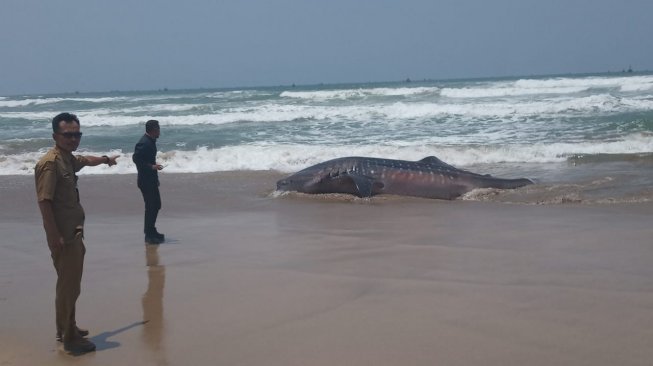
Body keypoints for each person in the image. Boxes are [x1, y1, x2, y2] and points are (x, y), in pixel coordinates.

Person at [35, 112, 119, 354]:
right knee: (69, 286)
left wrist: (105, 159)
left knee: (71, 285)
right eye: (68, 134)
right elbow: (44, 201)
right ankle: (70, 339)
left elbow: (84, 160)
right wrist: (53, 236)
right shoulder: (50, 163)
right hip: (63, 237)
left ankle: (67, 327)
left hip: (73, 232)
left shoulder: (66, 158)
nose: (73, 138)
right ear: (55, 136)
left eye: (77, 134)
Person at [133, 120, 165, 244]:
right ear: (153, 130)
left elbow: (147, 160)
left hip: (150, 180)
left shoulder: (150, 141)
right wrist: (151, 167)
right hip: (145, 181)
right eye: (158, 129)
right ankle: (149, 235)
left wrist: (154, 172)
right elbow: (136, 159)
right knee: (151, 206)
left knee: (156, 205)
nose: (159, 131)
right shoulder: (144, 142)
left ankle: (152, 230)